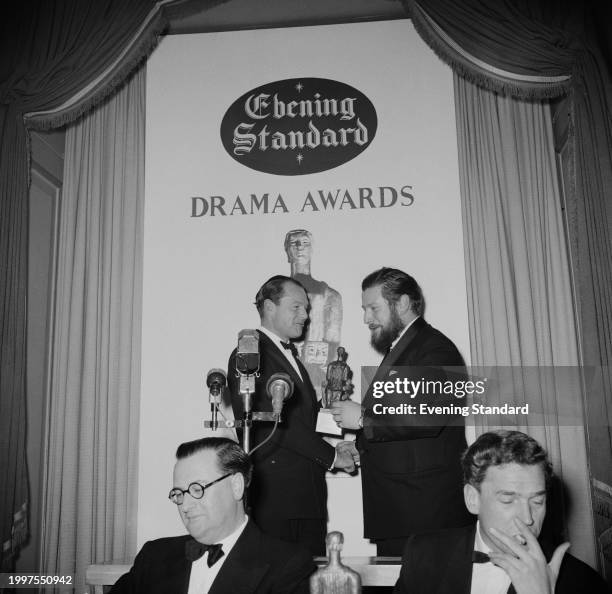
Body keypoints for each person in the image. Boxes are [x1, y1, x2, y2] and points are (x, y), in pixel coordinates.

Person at [331, 267, 472, 555]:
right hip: (407, 508)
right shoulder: (407, 348)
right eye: (364, 309)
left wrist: (361, 418)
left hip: (423, 512)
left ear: (404, 304)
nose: (366, 318)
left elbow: (426, 416)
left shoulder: (433, 348)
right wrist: (363, 443)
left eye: (373, 308)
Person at [227, 275, 356, 556]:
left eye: (307, 308)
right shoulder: (250, 352)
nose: (306, 315)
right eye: (296, 307)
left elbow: (302, 421)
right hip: (277, 499)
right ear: (270, 307)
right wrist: (333, 457)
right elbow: (275, 425)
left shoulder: (290, 357)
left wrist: (331, 402)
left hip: (306, 496)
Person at [393, 430, 611, 594]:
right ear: (472, 499)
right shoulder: (423, 555)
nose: (527, 518)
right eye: (508, 499)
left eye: (537, 501)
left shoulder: (583, 582)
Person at [110, 437, 316, 594]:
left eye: (197, 488)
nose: (185, 505)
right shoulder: (153, 556)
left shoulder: (288, 566)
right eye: (179, 493)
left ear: (236, 486)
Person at [284, 229, 342, 402]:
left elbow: (331, 347)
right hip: (282, 385)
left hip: (316, 385)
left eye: (305, 243)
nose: (300, 247)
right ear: (287, 250)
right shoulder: (273, 297)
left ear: (311, 249)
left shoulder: (330, 295)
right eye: (294, 243)